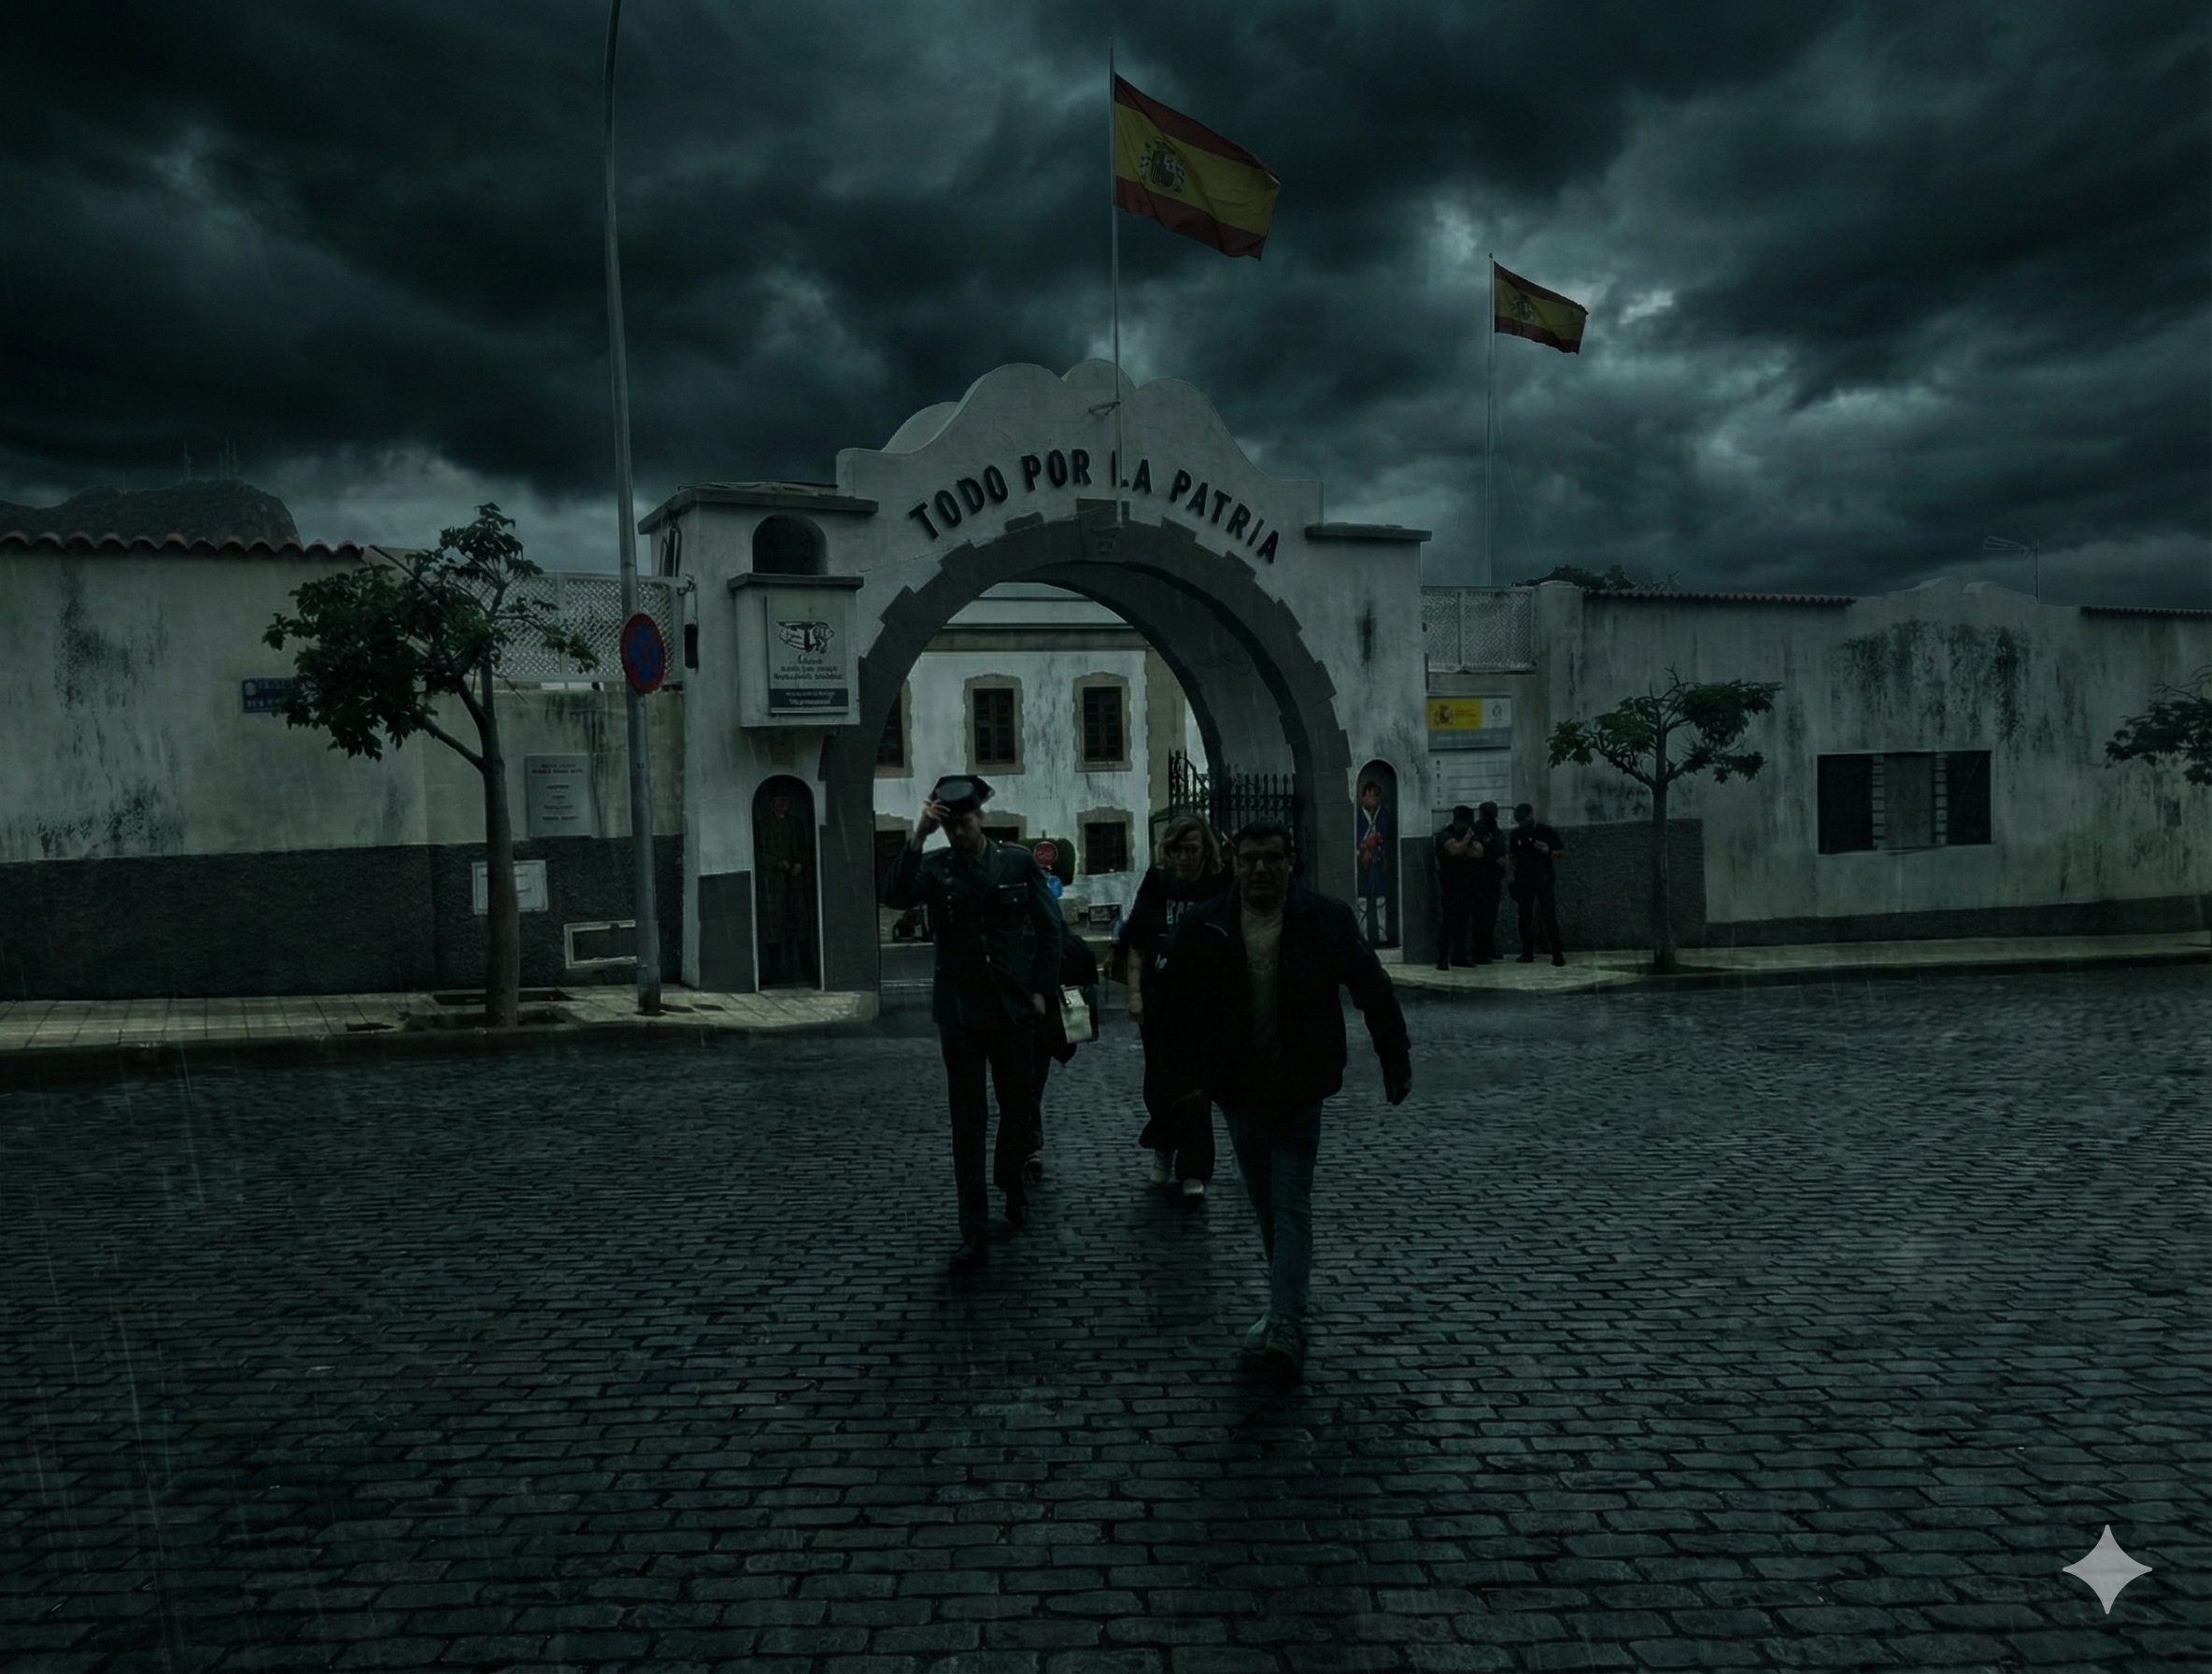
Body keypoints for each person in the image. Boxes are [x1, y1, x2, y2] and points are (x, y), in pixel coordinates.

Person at [1156, 820, 1412, 1382]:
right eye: (1249, 861)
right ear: (1235, 866)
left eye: (1272, 859)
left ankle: (1288, 1324)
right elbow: (1177, 1008)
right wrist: (1187, 1081)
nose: (1260, 871)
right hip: (1240, 1091)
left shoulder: (1324, 919)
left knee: (1291, 1204)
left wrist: (1395, 1058)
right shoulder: (1208, 924)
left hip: (1300, 1086)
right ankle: (1282, 1307)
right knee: (1267, 1205)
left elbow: (1372, 987)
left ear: (1291, 863)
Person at [883, 774, 1064, 1274]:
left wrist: (1041, 991)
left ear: (980, 818)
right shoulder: (936, 868)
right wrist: (918, 836)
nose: (959, 834)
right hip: (961, 1012)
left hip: (1011, 1009)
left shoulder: (1017, 862)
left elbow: (1050, 929)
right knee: (967, 1124)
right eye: (951, 827)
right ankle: (974, 1230)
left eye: (965, 824)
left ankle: (1009, 1179)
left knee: (1017, 1107)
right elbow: (896, 894)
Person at [1117, 816, 1229, 1199]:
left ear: (1207, 850)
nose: (1184, 857)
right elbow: (1137, 940)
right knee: (1160, 1083)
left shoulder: (1219, 886)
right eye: (1176, 849)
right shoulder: (1158, 883)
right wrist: (1135, 994)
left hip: (1204, 1002)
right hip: (1159, 999)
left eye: (1192, 849)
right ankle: (1164, 1147)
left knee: (1196, 1086)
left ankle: (1193, 1167)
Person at [1027, 915, 1100, 1186]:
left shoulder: (1035, 943)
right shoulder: (1071, 945)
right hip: (1049, 1029)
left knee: (1027, 1085)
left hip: (1033, 1024)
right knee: (1033, 1084)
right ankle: (1031, 1145)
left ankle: (1031, 1145)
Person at [756, 787, 814, 986]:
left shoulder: (796, 824)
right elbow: (759, 855)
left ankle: (804, 968)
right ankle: (774, 970)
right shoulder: (763, 826)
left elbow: (804, 849)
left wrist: (799, 863)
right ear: (772, 802)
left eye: (786, 799)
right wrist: (778, 864)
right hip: (772, 886)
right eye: (779, 799)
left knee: (801, 925)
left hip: (796, 885)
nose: (783, 803)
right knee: (774, 927)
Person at [1509, 802, 1567, 967]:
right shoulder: (1517, 834)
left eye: (1525, 820)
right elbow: (1513, 854)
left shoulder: (1545, 831)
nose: (1523, 824)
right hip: (1524, 879)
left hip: (1543, 878)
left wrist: (1547, 850)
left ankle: (1557, 953)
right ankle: (1527, 952)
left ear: (1531, 815)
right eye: (1520, 822)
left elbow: (1561, 852)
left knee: (1549, 916)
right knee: (1524, 917)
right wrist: (1512, 864)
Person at [1432, 804, 1479, 970]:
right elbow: (1454, 850)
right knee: (1449, 922)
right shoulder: (1446, 835)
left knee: (1463, 922)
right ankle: (1443, 957)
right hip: (1451, 885)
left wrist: (1468, 844)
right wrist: (1466, 841)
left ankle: (1459, 955)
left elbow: (1478, 852)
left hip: (1466, 884)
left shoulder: (1465, 835)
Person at [1468, 802, 1510, 964]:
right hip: (1481, 879)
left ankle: (1488, 947)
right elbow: (1475, 853)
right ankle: (1479, 952)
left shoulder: (1495, 829)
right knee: (1481, 917)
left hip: (1494, 879)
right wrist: (1494, 861)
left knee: (1491, 917)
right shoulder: (1477, 830)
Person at [1354, 780, 1393, 947]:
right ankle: (1364, 935)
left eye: (1377, 795)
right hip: (1362, 862)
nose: (1375, 799)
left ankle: (1382, 936)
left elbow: (1386, 837)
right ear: (1364, 795)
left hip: (1376, 862)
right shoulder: (1357, 815)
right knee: (1362, 897)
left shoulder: (1382, 814)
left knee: (1380, 897)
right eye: (1371, 795)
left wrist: (1380, 850)